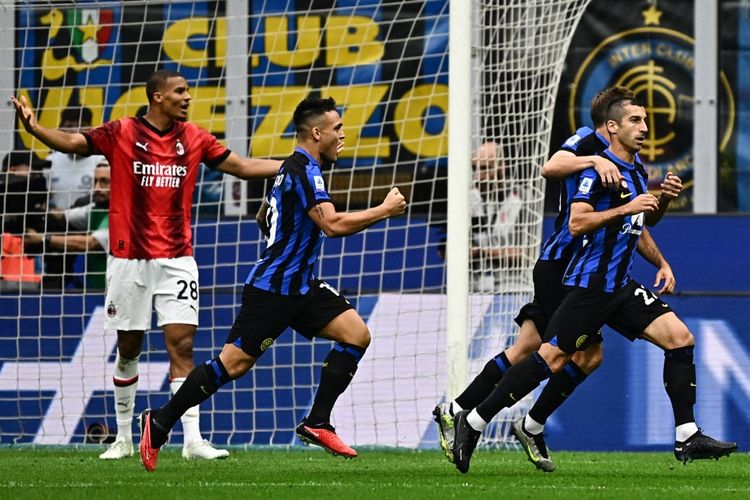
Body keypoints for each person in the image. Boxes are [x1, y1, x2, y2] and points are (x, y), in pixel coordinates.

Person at [448, 97, 737, 474]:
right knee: (548, 357)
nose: (645, 127)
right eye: (635, 120)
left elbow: (641, 223)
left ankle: (687, 434)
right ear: (613, 126)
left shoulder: (636, 171)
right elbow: (576, 223)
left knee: (680, 339)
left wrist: (661, 201)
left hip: (620, 285)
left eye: (646, 120)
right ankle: (473, 421)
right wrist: (624, 208)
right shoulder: (596, 170)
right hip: (588, 286)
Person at [12, 69, 282, 461]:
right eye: (180, 91)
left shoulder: (194, 138)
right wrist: (36, 130)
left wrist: (291, 165)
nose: (188, 97)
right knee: (129, 347)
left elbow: (239, 166)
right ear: (157, 96)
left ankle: (193, 441)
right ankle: (122, 437)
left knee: (183, 345)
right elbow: (74, 141)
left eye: (188, 91)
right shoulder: (121, 132)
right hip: (128, 260)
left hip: (177, 259)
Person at [136, 96, 406, 472]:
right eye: (337, 128)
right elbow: (331, 225)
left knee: (356, 334)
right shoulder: (306, 171)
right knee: (232, 365)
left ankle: (317, 422)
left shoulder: (290, 169)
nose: (343, 136)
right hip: (272, 290)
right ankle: (160, 422)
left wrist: (289, 242)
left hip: (301, 287)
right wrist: (384, 210)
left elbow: (264, 215)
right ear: (317, 132)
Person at [24, 158, 111, 290]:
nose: (97, 188)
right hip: (96, 289)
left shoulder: (127, 214)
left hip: (118, 290)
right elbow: (64, 215)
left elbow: (89, 243)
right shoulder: (95, 208)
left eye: (104, 182)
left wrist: (43, 239)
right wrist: (34, 212)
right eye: (95, 181)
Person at [466, 142, 526, 293]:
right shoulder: (467, 199)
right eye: (475, 168)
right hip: (473, 289)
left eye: (485, 168)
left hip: (514, 288)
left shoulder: (523, 197)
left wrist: (480, 252)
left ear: (502, 167)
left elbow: (526, 252)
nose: (478, 176)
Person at [0, 151, 48, 291]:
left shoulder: (36, 212)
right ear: (12, 171)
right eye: (33, 173)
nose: (37, 178)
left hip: (32, 286)